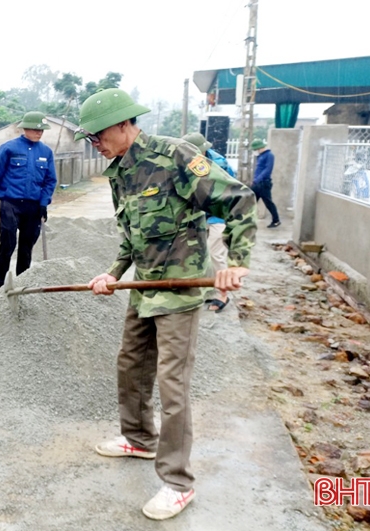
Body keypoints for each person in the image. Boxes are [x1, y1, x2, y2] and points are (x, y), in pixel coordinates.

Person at [76, 89, 257, 520]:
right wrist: (113, 273)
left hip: (179, 290)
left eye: (98, 135)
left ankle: (178, 482)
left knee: (172, 385)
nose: (94, 144)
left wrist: (237, 262)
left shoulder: (175, 156)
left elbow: (239, 200)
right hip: (145, 286)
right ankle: (139, 438)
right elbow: (132, 235)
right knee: (130, 364)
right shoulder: (119, 171)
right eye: (89, 138)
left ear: (124, 125)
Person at [0, 111, 57, 289]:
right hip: (11, 203)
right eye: (35, 129)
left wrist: (43, 203)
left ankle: (22, 284)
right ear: (25, 128)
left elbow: (50, 180)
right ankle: (0, 286)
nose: (39, 133)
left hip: (33, 206)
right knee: (7, 244)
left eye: (41, 130)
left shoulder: (46, 152)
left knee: (26, 248)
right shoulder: (9, 148)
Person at [183, 132, 237, 313]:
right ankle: (206, 290)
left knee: (216, 255)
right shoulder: (186, 163)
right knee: (198, 254)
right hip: (198, 215)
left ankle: (223, 294)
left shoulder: (218, 164)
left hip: (218, 216)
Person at [251, 138, 281, 228]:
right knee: (250, 201)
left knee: (268, 202)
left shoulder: (269, 155)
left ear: (259, 148)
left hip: (263, 183)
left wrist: (258, 179)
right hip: (257, 183)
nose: (254, 152)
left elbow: (267, 170)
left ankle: (276, 220)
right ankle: (248, 220)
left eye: (255, 149)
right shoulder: (260, 156)